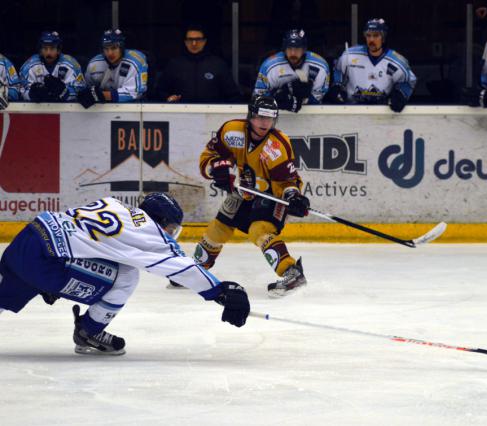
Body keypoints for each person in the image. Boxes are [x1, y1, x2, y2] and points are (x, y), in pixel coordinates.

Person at [0, 193, 250, 355]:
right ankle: (90, 330)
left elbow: (88, 241)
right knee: (127, 276)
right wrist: (219, 291)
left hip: (28, 238)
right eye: (170, 228)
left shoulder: (114, 204)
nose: (169, 233)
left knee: (5, 295)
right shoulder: (149, 229)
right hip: (49, 261)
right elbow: (180, 265)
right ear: (160, 221)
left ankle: (44, 285)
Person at [185, 95, 309, 298]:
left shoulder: (278, 145)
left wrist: (293, 196)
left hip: (271, 193)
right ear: (251, 116)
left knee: (258, 230)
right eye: (260, 117)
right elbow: (209, 156)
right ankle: (194, 270)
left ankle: (291, 272)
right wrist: (217, 169)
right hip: (245, 189)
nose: (264, 123)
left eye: (269, 118)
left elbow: (286, 182)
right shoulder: (231, 130)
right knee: (219, 227)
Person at [326, 18, 416, 112]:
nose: (371, 39)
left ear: (383, 38)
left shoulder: (396, 61)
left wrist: (401, 93)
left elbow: (410, 80)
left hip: (381, 111)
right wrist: (336, 85)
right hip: (351, 108)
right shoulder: (350, 55)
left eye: (376, 35)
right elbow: (338, 69)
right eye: (368, 35)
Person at [155, 24, 242, 103]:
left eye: (198, 39)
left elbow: (233, 96)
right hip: (180, 116)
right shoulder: (174, 65)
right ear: (185, 42)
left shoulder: (218, 65)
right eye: (190, 40)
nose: (194, 43)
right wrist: (168, 98)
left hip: (212, 116)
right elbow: (159, 92)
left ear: (204, 41)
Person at [253, 29, 329, 112]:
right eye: (289, 48)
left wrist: (300, 100)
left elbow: (318, 98)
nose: (293, 53)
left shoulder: (320, 66)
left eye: (297, 48)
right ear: (284, 49)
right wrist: (276, 99)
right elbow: (258, 97)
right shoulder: (269, 66)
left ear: (304, 49)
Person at [78, 29, 148, 108]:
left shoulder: (135, 62)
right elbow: (86, 88)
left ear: (121, 47)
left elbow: (134, 93)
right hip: (102, 111)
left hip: (134, 109)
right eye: (106, 48)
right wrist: (86, 93)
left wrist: (103, 95)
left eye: (114, 48)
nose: (110, 53)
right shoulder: (94, 64)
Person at [19, 31, 86, 102]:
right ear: (40, 50)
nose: (48, 53)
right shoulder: (29, 65)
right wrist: (32, 94)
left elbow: (81, 89)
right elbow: (21, 91)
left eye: (52, 48)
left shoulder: (71, 64)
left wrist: (64, 92)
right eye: (45, 48)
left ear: (58, 50)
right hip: (38, 110)